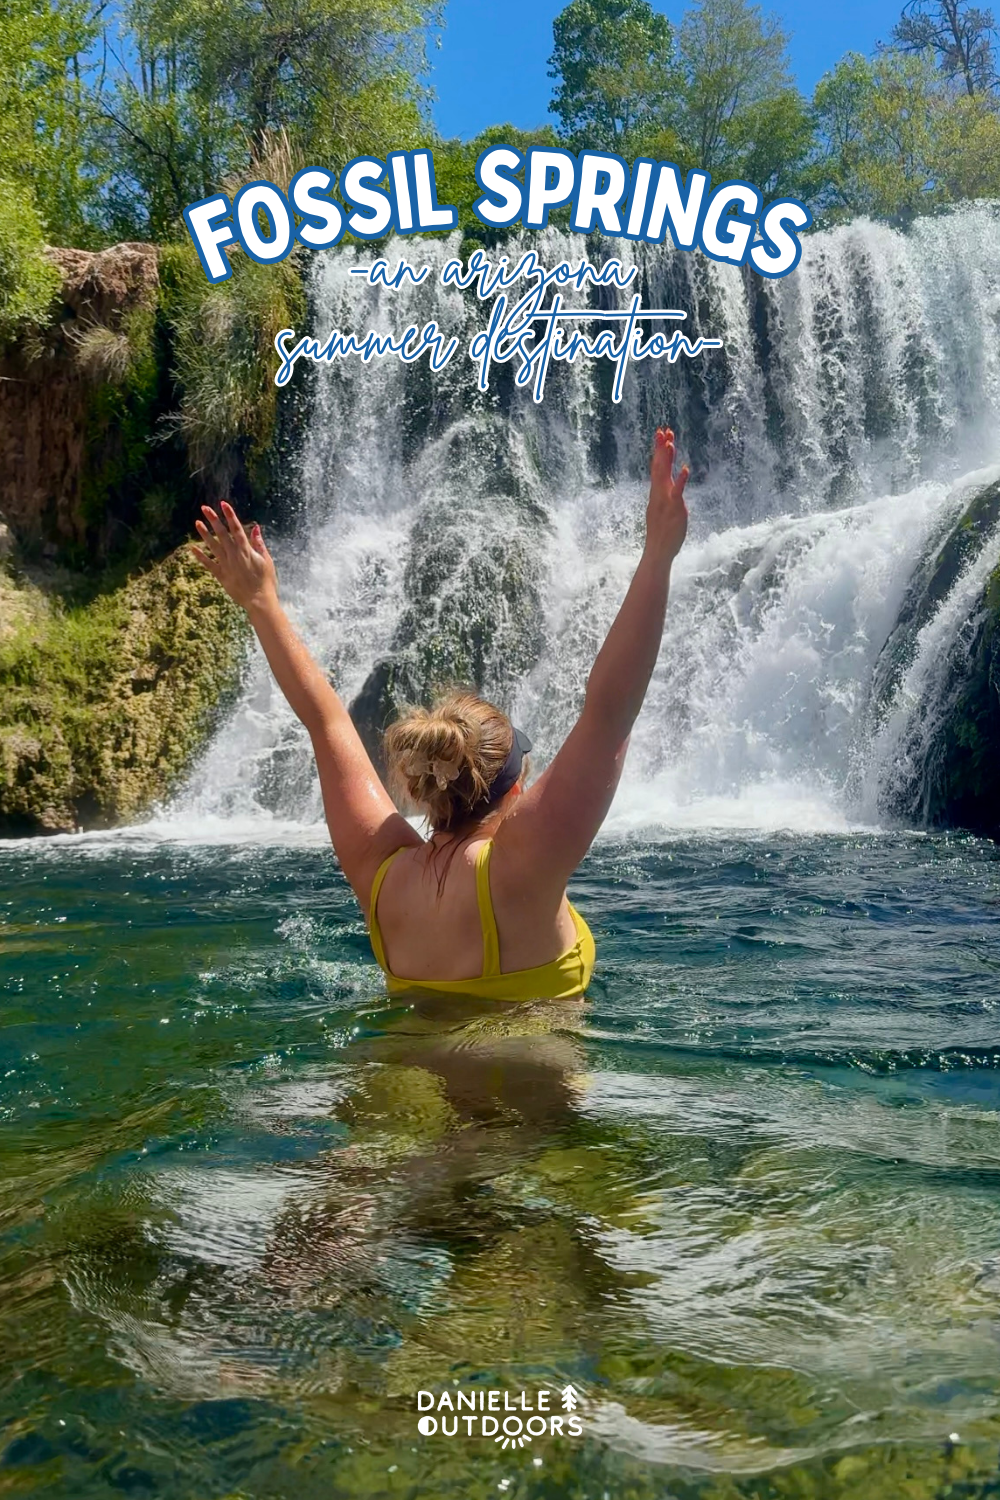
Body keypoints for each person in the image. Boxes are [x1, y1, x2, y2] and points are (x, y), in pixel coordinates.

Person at [191, 425, 689, 1001]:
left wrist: (262, 602)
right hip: (525, 1091)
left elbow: (326, 721)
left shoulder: (381, 876)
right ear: (515, 787)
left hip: (397, 1081)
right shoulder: (523, 866)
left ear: (427, 782)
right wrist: (658, 554)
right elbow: (608, 714)